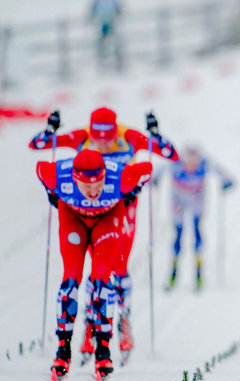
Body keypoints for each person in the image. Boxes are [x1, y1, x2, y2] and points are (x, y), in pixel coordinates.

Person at [29, 107, 177, 363]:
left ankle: (123, 320)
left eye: (108, 139)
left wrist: (155, 133)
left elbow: (169, 154)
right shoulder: (80, 137)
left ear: (114, 131)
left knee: (115, 267)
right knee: (85, 269)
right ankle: (89, 325)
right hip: (81, 207)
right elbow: (38, 145)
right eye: (98, 140)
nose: (104, 145)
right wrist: (50, 130)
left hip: (122, 207)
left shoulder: (128, 137)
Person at [36, 149, 152, 381]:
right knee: (71, 279)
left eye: (98, 184)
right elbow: (40, 168)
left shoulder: (121, 176)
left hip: (107, 220)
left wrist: (134, 191)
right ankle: (63, 350)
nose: (93, 192)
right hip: (73, 219)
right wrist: (50, 191)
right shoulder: (58, 174)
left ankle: (103, 352)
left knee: (101, 279)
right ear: (74, 179)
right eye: (86, 187)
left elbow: (147, 170)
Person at [160, 145, 234, 290]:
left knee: (196, 232)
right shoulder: (175, 163)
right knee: (178, 235)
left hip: (196, 201)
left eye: (194, 163)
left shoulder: (204, 163)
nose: (191, 166)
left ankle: (199, 273)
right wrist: (151, 180)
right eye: (188, 162)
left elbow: (220, 171)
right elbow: (157, 169)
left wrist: (227, 181)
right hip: (178, 201)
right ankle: (173, 272)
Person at [90, 0, 124, 70]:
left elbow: (93, 9)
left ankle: (111, 58)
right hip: (106, 22)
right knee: (107, 40)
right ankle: (105, 58)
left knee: (110, 40)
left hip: (108, 21)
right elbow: (118, 9)